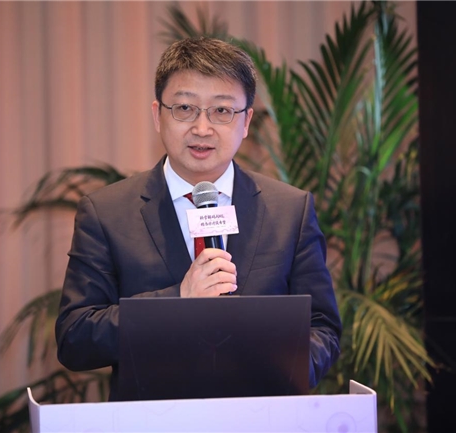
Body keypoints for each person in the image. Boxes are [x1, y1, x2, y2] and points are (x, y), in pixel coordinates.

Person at [56, 37, 341, 400]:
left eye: (222, 110)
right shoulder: (107, 213)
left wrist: (283, 368)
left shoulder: (290, 210)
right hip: (152, 420)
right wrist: (177, 300)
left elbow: (323, 328)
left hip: (260, 416)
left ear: (246, 121)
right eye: (185, 108)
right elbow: (75, 338)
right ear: (158, 115)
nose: (202, 128)